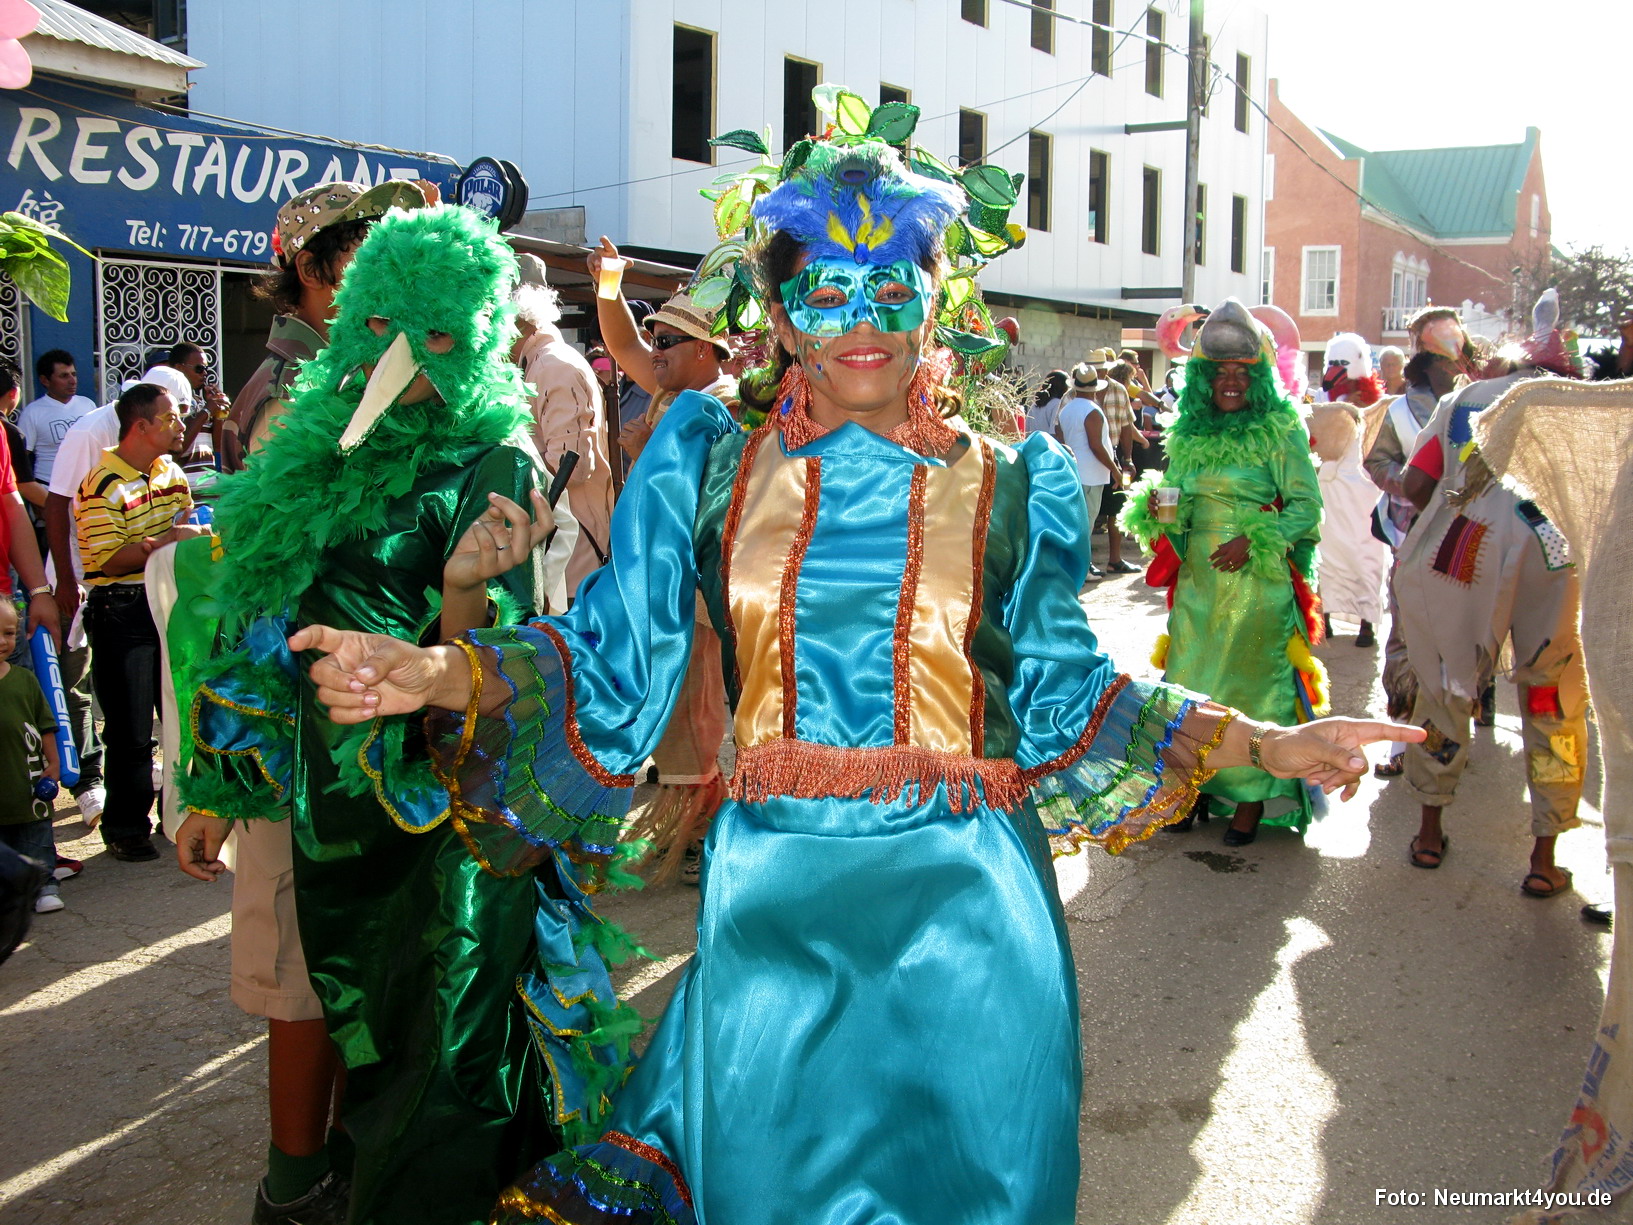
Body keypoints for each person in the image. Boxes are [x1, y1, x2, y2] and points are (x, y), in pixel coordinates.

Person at [291, 127, 1411, 1225]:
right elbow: (609, 663)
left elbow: (1070, 694)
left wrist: (1264, 743)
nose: (861, 321)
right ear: (777, 317)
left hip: (976, 916)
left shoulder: (1014, 486)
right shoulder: (704, 460)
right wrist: (441, 668)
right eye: (825, 291)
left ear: (937, 301)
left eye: (891, 285)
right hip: (777, 904)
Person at [173, 204, 613, 1225]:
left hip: (442, 824)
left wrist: (464, 588)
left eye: (440, 335)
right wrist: (219, 791)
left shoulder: (495, 463)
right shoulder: (311, 452)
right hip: (333, 818)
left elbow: (504, 671)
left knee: (449, 1059)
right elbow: (254, 625)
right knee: (364, 1039)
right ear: (349, 318)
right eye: (380, 329)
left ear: (478, 335)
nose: (408, 357)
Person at [1394, 289, 1589, 893]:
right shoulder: (1579, 403)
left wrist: (1456, 507)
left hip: (1464, 547)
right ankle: (1543, 857)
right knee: (1550, 697)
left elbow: (1413, 483)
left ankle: (1430, 833)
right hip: (1553, 549)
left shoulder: (1462, 397)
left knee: (1448, 684)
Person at [1124, 299, 1326, 847]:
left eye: (1242, 371)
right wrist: (1159, 511)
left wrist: (1254, 539)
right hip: (1199, 583)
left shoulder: (1282, 429)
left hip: (1257, 582)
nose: (1230, 381)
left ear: (1258, 376)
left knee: (1252, 688)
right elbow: (1177, 500)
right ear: (1202, 377)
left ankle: (1250, 799)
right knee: (1192, 684)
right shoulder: (1189, 432)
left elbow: (1306, 508)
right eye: (1220, 371)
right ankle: (1194, 787)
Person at [220, 180, 433, 473]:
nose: (388, 273)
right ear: (310, 269)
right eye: (368, 256)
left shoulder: (348, 370)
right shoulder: (291, 394)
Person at [74, 383, 201, 862]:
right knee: (128, 727)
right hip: (121, 609)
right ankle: (126, 827)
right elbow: (106, 560)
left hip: (171, 604)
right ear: (141, 425)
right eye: (170, 417)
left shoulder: (171, 472)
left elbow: (184, 529)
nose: (181, 425)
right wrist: (166, 539)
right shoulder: (101, 483)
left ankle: (184, 815)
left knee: (180, 715)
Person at [1363, 310, 1473, 778]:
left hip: (1469, 541)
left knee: (1460, 637)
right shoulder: (1401, 411)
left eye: (1456, 359)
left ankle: (1451, 733)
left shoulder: (1478, 403)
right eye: (1440, 360)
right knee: (1407, 635)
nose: (1450, 368)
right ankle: (1401, 733)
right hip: (1412, 539)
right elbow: (1377, 461)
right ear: (1423, 362)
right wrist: (1407, 483)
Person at [513, 253, 613, 597]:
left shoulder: (553, 365)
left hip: (569, 563)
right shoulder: (540, 363)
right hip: (561, 556)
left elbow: (571, 466)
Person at [588, 239, 737, 463]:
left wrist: (647, 452)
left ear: (702, 348)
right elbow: (624, 344)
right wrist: (608, 278)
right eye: (654, 341)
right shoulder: (668, 394)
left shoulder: (729, 408)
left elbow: (713, 492)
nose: (653, 352)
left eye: (665, 341)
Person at [1310, 333, 1387, 647]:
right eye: (1333, 363)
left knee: (1364, 556)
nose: (1335, 370)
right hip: (1329, 493)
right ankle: (1324, 618)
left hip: (1363, 494)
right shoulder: (1325, 403)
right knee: (1326, 556)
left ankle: (1367, 624)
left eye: (1343, 363)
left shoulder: (1377, 407)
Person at [0, 601, 61, 913]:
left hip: (29, 778)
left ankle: (44, 883)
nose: (3, 641)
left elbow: (46, 725)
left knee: (36, 836)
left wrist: (53, 762)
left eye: (9, 633)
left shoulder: (24, 679)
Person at [1056, 362, 1119, 581]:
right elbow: (1096, 445)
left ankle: (1075, 567)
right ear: (1096, 387)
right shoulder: (1092, 411)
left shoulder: (1066, 410)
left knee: (1075, 522)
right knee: (1086, 523)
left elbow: (1060, 437)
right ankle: (1082, 569)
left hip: (1073, 471)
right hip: (1090, 474)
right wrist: (1115, 470)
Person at [140, 342, 225, 479]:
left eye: (206, 369)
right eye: (199, 369)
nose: (204, 374)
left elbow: (217, 446)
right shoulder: (168, 407)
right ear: (179, 368)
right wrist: (206, 412)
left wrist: (218, 413)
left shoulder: (202, 402)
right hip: (183, 488)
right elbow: (175, 451)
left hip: (209, 490)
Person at [18, 349, 95, 488]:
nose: (72, 381)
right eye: (64, 376)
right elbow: (20, 459)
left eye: (74, 374)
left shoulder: (88, 405)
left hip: (87, 489)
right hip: (49, 487)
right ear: (45, 380)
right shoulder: (33, 412)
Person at [1027, 368, 1067, 435]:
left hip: (1033, 443)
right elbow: (1054, 432)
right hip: (1047, 444)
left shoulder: (1035, 405)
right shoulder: (1057, 404)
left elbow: (1027, 429)